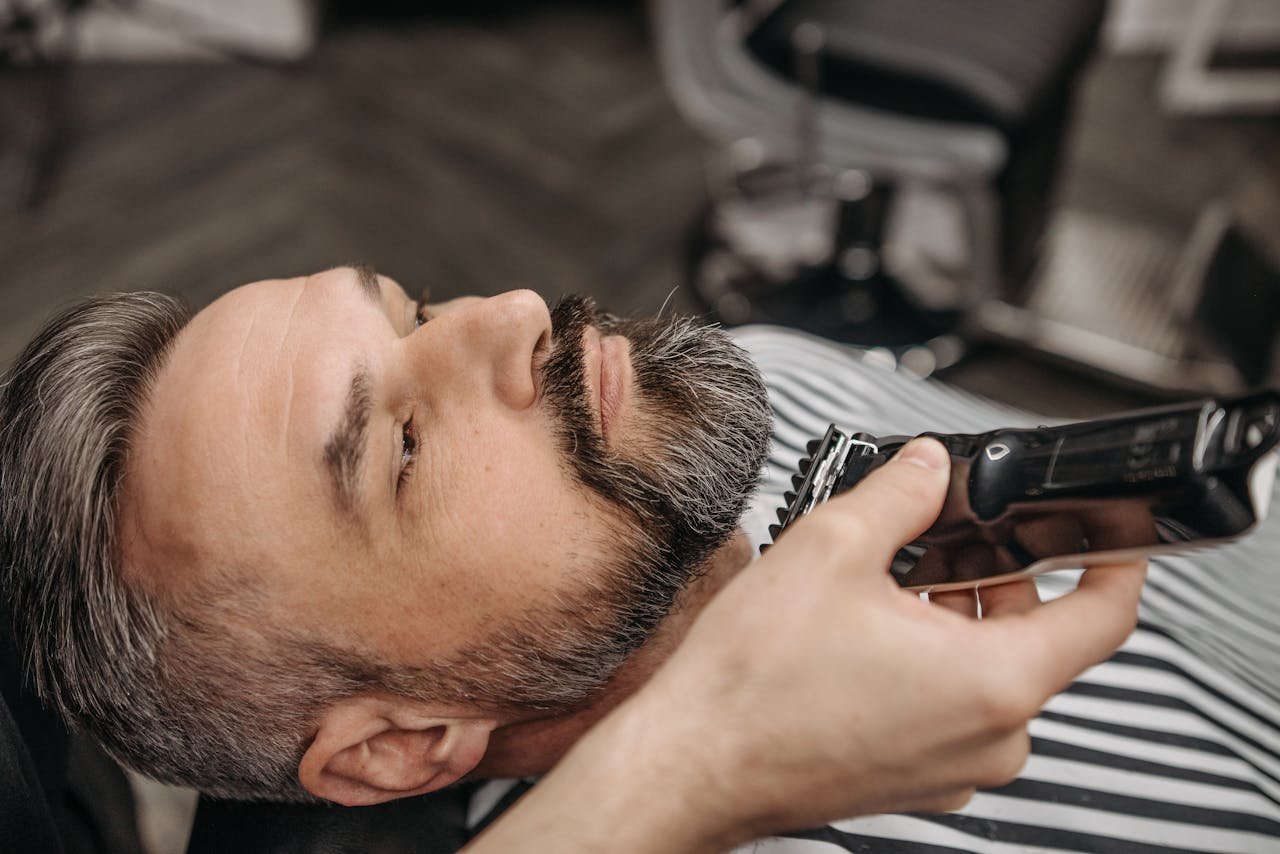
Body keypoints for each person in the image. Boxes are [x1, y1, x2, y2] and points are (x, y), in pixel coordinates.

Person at [1, 266, 1276, 851]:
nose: (510, 316)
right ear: (399, 744)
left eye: (416, 311)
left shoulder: (757, 372)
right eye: (398, 443)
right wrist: (701, 765)